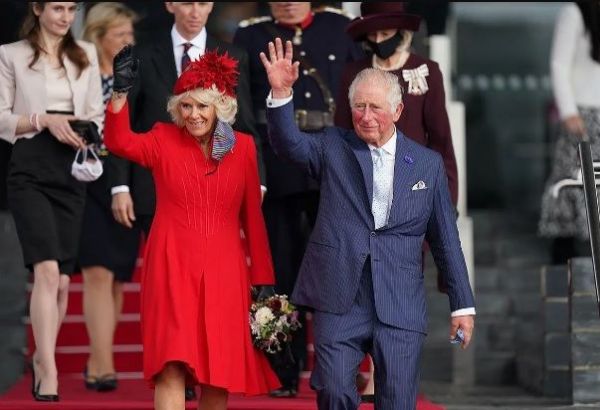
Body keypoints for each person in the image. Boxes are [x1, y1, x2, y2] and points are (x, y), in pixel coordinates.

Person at [260, 38, 475, 409]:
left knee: (396, 401)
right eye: (358, 106)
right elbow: (289, 144)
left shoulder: (427, 165)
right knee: (334, 391)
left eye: (375, 107)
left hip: (400, 300)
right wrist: (281, 93)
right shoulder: (333, 146)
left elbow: (445, 240)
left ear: (397, 109)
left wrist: (462, 306)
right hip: (341, 295)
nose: (365, 116)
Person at [104, 45, 280, 410]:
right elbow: (118, 142)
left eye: (203, 105)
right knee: (170, 365)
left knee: (219, 375)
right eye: (186, 105)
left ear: (220, 106)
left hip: (225, 271)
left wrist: (263, 278)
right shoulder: (161, 139)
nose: (194, 114)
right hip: (170, 265)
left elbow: (253, 218)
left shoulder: (243, 148)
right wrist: (119, 93)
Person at [233, 2, 363, 397]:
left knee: (336, 265)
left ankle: (337, 360)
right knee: (281, 267)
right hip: (277, 163)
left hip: (332, 159)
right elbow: (242, 107)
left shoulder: (340, 28)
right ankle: (284, 368)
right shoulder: (250, 34)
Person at [335, 3, 460, 397]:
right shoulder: (355, 73)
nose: (378, 41)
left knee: (401, 284)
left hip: (413, 197)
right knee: (360, 279)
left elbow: (441, 142)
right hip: (360, 195)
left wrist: (446, 203)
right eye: (370, 35)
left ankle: (389, 371)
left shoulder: (426, 71)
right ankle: (368, 366)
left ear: (401, 31)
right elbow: (340, 137)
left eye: (384, 32)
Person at [0, 1, 103, 401]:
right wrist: (43, 119)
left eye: (71, 8)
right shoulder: (12, 54)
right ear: (38, 8)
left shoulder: (86, 55)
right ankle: (48, 366)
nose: (65, 16)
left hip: (72, 166)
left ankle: (46, 356)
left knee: (61, 279)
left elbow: (95, 113)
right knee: (44, 270)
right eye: (57, 7)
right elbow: (2, 118)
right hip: (30, 164)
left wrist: (87, 132)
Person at [77, 2, 139, 392]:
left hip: (124, 179)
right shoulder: (78, 73)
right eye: (119, 35)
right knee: (96, 273)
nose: (127, 42)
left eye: (130, 35)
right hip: (85, 180)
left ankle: (99, 356)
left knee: (116, 277)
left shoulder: (135, 75)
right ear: (98, 36)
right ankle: (103, 362)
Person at [539, 1, 600, 263]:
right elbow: (558, 64)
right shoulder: (574, 12)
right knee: (572, 179)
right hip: (582, 114)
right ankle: (563, 256)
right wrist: (568, 111)